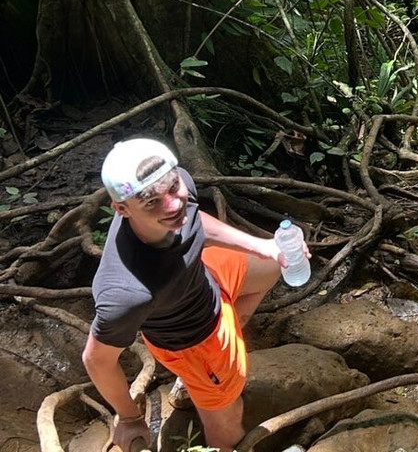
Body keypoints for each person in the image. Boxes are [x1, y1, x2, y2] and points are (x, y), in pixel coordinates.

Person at [82, 138, 307, 452]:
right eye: (152, 202)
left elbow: (194, 220)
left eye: (174, 189)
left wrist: (262, 246)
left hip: (205, 277)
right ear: (122, 209)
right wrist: (130, 418)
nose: (173, 205)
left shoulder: (173, 183)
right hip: (194, 340)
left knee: (272, 264)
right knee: (228, 419)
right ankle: (207, 392)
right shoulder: (126, 294)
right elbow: (97, 361)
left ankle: (204, 375)